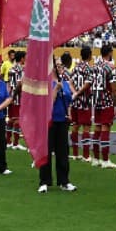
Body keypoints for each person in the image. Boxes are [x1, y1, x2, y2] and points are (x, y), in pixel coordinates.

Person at [39, 57, 75, 193]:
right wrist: (55, 90)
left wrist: (69, 113)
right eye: (57, 65)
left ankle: (64, 181)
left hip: (62, 121)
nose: (60, 67)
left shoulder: (65, 83)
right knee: (47, 152)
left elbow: (69, 100)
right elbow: (47, 104)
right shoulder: (47, 84)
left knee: (63, 152)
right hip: (50, 121)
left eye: (61, 66)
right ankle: (44, 181)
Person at [91, 44, 116, 168]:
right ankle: (105, 160)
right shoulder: (110, 67)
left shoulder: (94, 66)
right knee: (106, 128)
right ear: (110, 53)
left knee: (97, 128)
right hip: (106, 100)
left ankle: (96, 158)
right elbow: (114, 88)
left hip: (96, 100)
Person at [70, 47, 94, 162]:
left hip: (75, 101)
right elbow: (87, 84)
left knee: (75, 125)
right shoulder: (89, 68)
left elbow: (70, 82)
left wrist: (74, 93)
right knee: (86, 127)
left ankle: (75, 153)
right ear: (89, 56)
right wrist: (79, 93)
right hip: (85, 101)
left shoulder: (76, 67)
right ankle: (85, 155)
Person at [6, 51, 25, 149]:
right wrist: (15, 96)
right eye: (24, 57)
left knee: (11, 119)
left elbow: (8, 84)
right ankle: (16, 143)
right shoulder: (20, 69)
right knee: (18, 119)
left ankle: (8, 141)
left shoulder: (11, 69)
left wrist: (9, 96)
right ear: (21, 58)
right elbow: (19, 84)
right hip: (17, 96)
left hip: (11, 95)